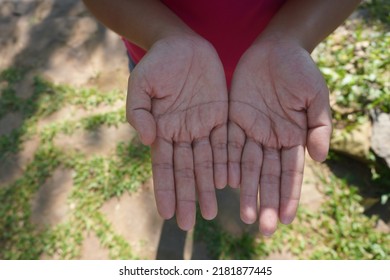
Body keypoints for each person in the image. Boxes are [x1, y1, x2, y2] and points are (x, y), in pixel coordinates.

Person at [82, 0, 361, 236]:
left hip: (274, 84)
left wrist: (292, 36)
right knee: (171, 143)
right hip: (170, 77)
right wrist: (162, 35)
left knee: (237, 156)